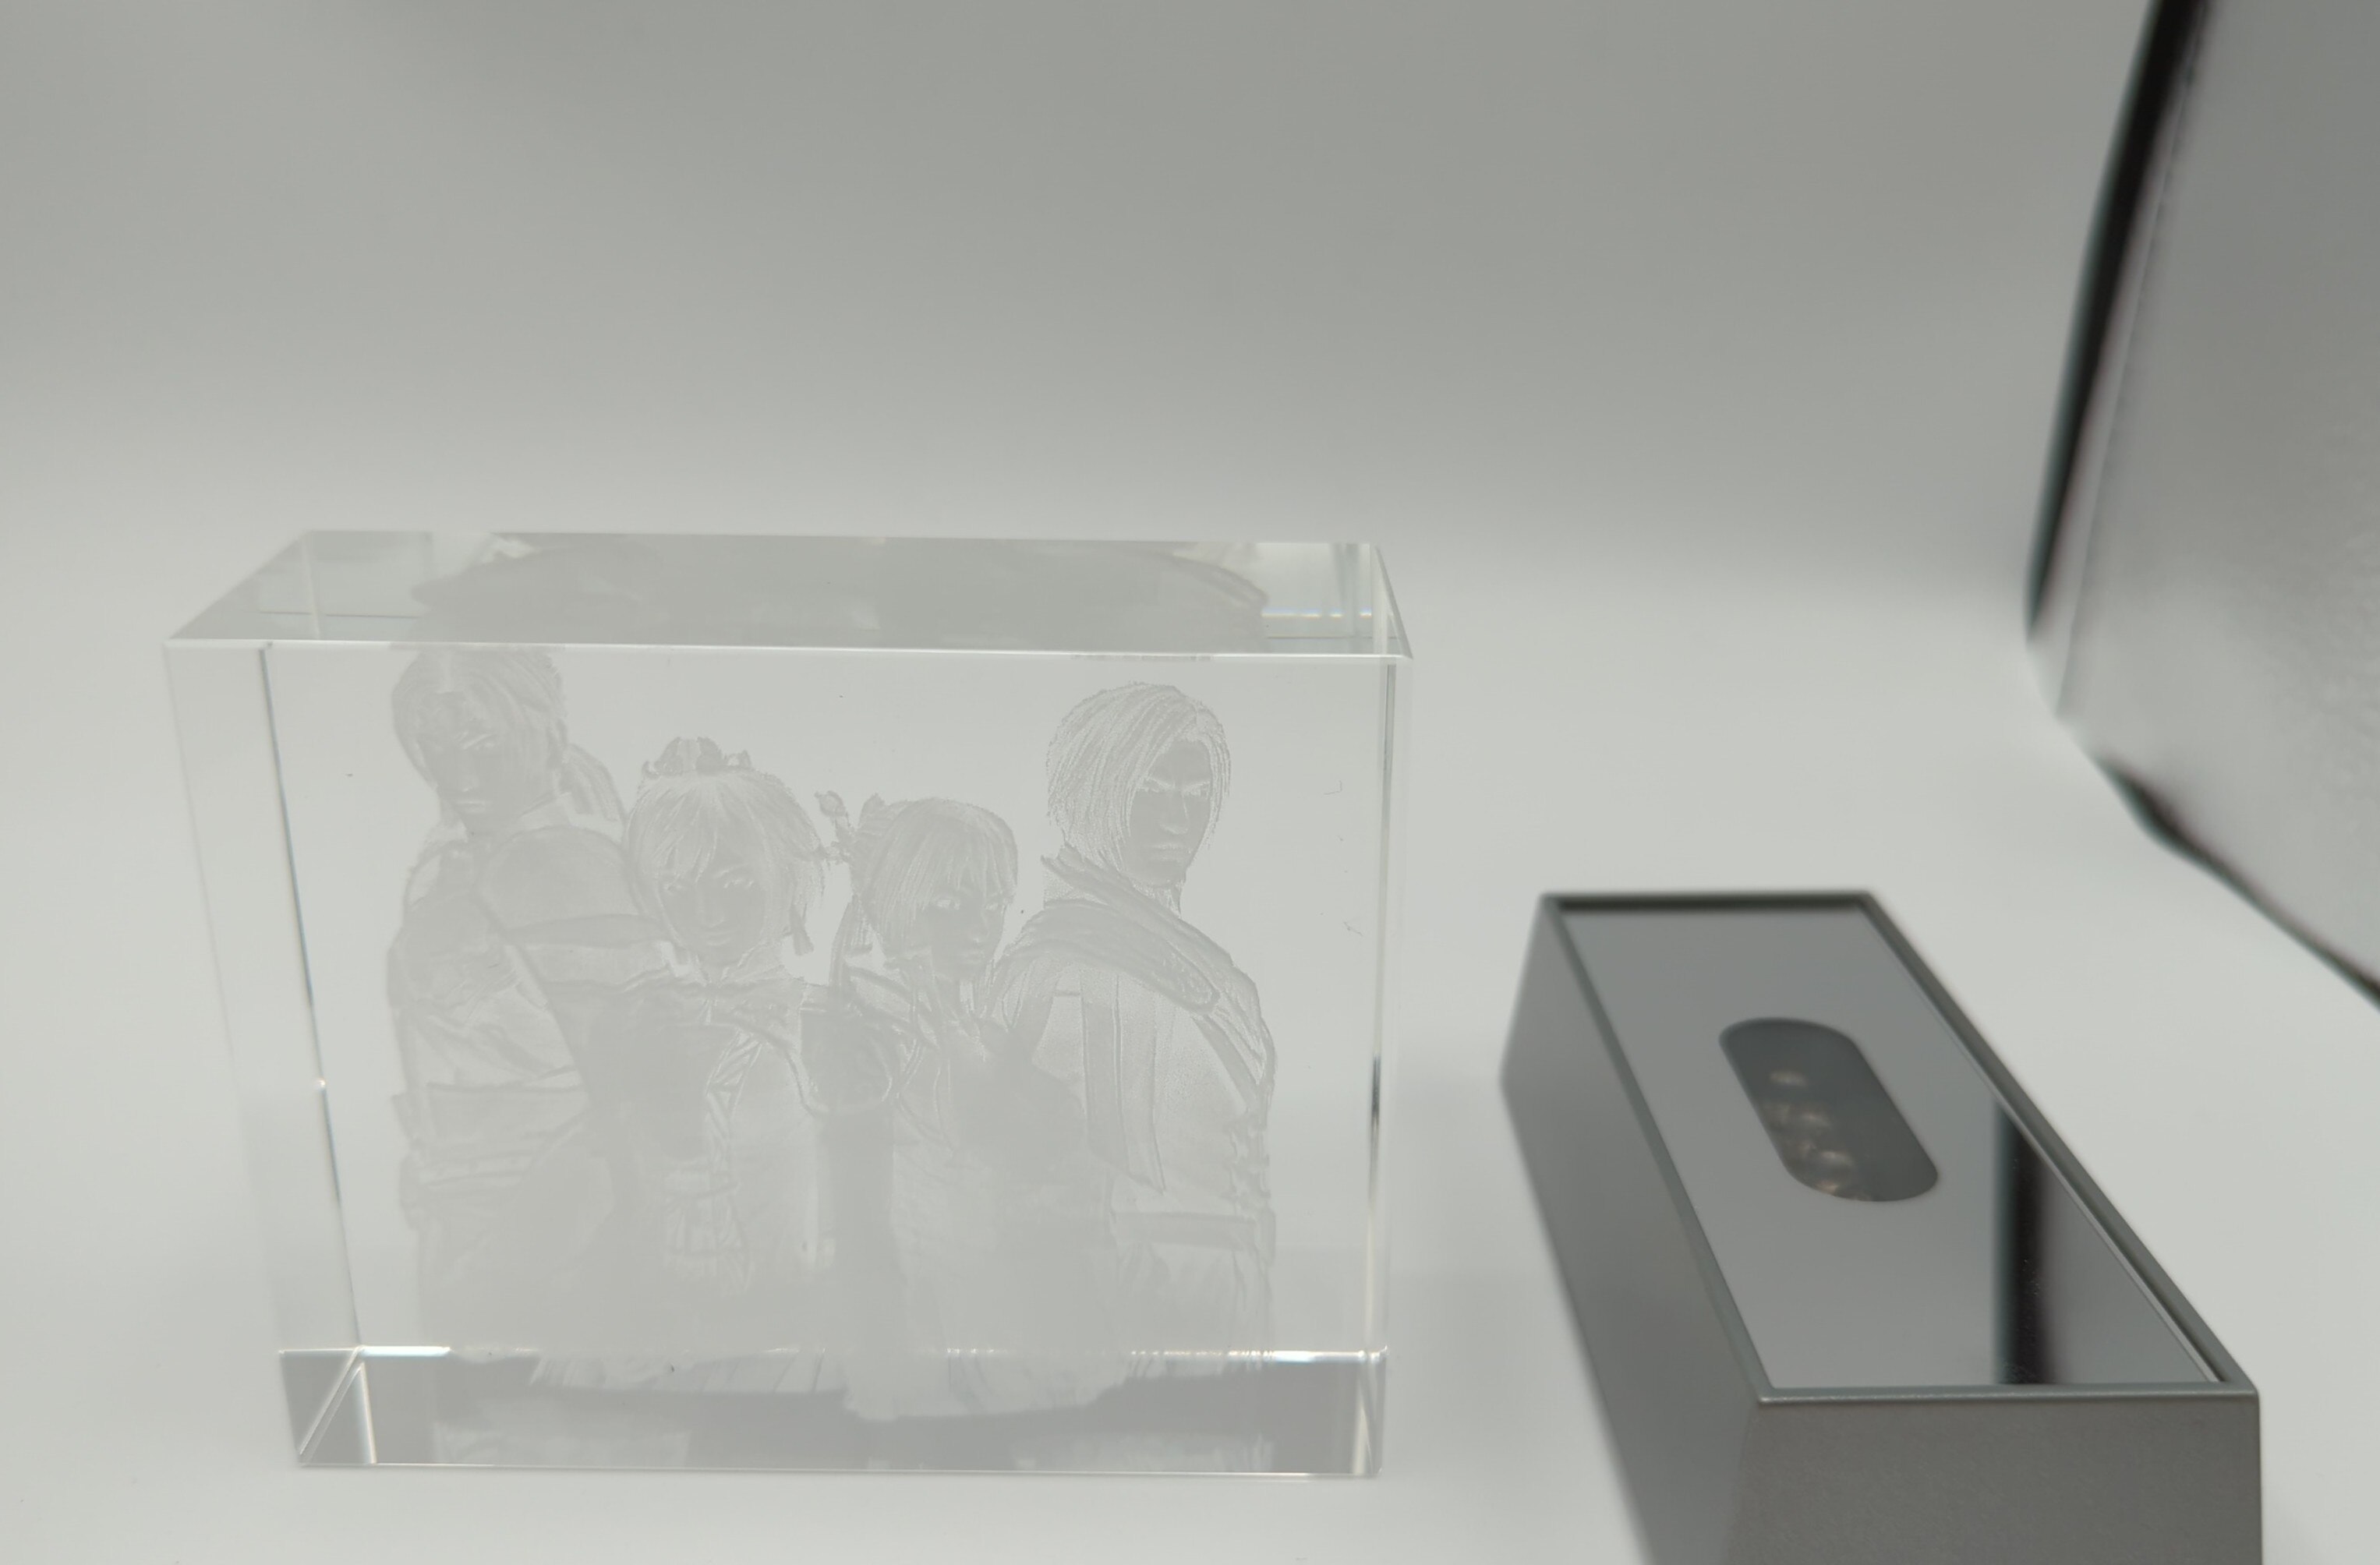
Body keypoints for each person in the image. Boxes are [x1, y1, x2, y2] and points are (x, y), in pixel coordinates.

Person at [384, 647, 668, 1345]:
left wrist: (504, 1266)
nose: (459, 774)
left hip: (547, 1242)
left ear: (550, 738)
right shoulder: (457, 864)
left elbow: (634, 1105)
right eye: (437, 746)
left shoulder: (560, 863)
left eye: (484, 745)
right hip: (475, 1219)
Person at [985, 683, 1275, 1353]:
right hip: (1141, 1305)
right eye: (1151, 790)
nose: (1178, 818)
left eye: (1195, 794)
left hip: (1220, 1291)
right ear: (1095, 792)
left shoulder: (1205, 969)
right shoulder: (1068, 972)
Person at [591, 737, 857, 1350]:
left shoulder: (824, 1022)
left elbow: (856, 1210)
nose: (706, 911)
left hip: (789, 1328)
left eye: (734, 882)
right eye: (677, 889)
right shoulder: (637, 1017)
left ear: (783, 879)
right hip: (656, 1334)